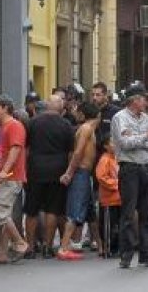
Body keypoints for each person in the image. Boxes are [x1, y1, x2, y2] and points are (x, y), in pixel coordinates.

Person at [110, 82, 148, 269]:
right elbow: (124, 143)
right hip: (130, 167)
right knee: (128, 212)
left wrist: (142, 138)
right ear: (134, 100)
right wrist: (146, 136)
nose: (146, 103)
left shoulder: (146, 118)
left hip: (147, 166)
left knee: (147, 212)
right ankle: (126, 255)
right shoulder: (120, 118)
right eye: (144, 99)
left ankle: (146, 254)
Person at [24, 94, 74, 259]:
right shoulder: (66, 125)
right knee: (52, 209)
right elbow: (70, 152)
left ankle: (30, 247)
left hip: (35, 170)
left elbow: (26, 149)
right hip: (57, 171)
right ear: (60, 107)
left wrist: (25, 169)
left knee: (31, 210)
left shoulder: (33, 123)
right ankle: (47, 245)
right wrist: (68, 172)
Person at [0, 94, 30, 264]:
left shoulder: (14, 126)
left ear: (6, 108)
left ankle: (19, 242)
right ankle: (2, 253)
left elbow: (16, 149)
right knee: (2, 214)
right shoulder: (1, 128)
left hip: (10, 177)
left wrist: (4, 171)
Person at [57, 102, 101, 261]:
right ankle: (63, 248)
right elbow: (77, 152)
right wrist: (69, 173)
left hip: (85, 174)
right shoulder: (86, 129)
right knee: (75, 211)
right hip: (80, 173)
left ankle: (101, 245)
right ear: (98, 116)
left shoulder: (88, 129)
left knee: (90, 212)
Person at [96, 135, 120, 258]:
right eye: (112, 142)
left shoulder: (117, 158)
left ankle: (117, 248)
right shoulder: (104, 159)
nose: (115, 144)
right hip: (108, 200)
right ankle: (109, 248)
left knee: (118, 226)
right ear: (105, 146)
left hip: (119, 199)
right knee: (108, 226)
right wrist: (118, 185)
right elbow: (102, 177)